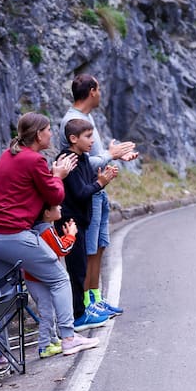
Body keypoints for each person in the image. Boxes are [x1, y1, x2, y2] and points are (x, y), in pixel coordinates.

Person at [0, 113, 99, 361]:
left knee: (5, 294)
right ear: (37, 135)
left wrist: (53, 176)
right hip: (13, 234)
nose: (51, 134)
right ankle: (68, 337)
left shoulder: (8, 154)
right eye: (48, 130)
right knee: (59, 279)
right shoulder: (34, 160)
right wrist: (58, 176)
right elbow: (55, 197)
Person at [62, 75, 137, 316]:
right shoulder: (74, 120)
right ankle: (86, 303)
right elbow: (81, 163)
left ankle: (96, 297)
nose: (101, 93)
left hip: (99, 190)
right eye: (99, 88)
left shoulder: (87, 118)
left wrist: (115, 155)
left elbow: (96, 155)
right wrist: (110, 155)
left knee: (100, 246)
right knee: (89, 250)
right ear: (92, 91)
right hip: (89, 191)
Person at [61, 118, 120, 326]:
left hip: (82, 221)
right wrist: (100, 182)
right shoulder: (69, 160)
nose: (92, 140)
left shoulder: (84, 158)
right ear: (73, 138)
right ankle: (78, 316)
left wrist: (103, 179)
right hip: (70, 224)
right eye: (87, 136)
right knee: (76, 270)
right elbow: (79, 192)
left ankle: (83, 309)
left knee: (82, 267)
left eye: (92, 135)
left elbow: (89, 186)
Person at [25, 205, 80, 359]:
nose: (61, 207)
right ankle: (44, 346)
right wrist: (71, 235)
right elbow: (61, 249)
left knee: (48, 311)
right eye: (56, 206)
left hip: (35, 277)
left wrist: (64, 236)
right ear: (47, 213)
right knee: (47, 313)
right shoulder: (46, 230)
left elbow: (53, 247)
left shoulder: (40, 228)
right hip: (38, 279)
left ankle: (53, 340)